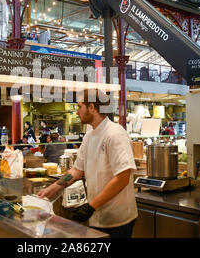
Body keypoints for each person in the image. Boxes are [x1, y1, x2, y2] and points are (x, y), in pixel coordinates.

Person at [38, 89, 138, 238]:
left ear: (92, 107)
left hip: (118, 220)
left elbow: (122, 177)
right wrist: (52, 189)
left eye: (79, 106)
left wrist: (91, 206)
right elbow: (76, 171)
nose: (77, 112)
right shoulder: (89, 136)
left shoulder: (115, 134)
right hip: (96, 217)